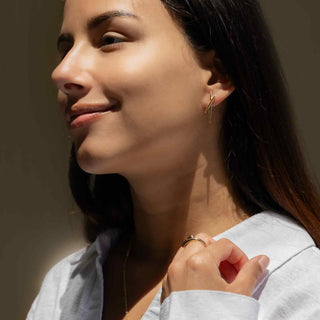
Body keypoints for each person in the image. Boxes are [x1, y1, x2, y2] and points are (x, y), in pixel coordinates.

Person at [27, 0, 320, 319]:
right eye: (65, 49)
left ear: (216, 75)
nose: (61, 71)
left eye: (110, 39)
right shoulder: (63, 289)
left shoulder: (301, 286)